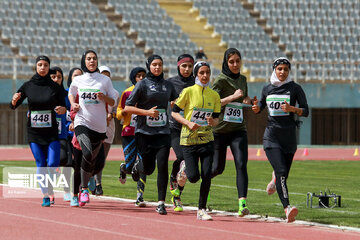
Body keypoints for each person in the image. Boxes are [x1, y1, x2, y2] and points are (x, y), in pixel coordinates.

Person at [252, 57, 309, 223]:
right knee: (282, 172)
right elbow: (260, 106)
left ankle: (274, 179)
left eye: (285, 69)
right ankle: (287, 208)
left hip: (289, 137)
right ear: (274, 70)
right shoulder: (267, 88)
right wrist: (256, 108)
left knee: (283, 174)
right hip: (271, 136)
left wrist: (292, 109)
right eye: (279, 69)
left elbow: (305, 111)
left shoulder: (295, 88)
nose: (282, 72)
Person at [124, 55, 178, 215]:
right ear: (149, 66)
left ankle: (161, 203)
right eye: (154, 64)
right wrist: (147, 112)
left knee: (163, 166)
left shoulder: (168, 85)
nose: (157, 67)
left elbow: (176, 103)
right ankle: (137, 166)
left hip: (163, 132)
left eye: (160, 65)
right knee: (148, 169)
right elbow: (127, 108)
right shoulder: (142, 85)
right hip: (144, 133)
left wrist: (177, 106)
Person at [10, 56, 66, 207]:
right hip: (34, 132)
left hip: (51, 132)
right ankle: (46, 195)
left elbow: (63, 104)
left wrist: (63, 109)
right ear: (36, 67)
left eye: (45, 65)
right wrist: (14, 101)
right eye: (40, 65)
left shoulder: (54, 87)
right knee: (41, 163)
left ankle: (50, 185)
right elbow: (14, 104)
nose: (43, 67)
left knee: (53, 163)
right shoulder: (28, 85)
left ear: (49, 67)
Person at [68, 50, 119, 206]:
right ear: (84, 61)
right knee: (87, 152)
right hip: (82, 122)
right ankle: (83, 190)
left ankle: (83, 186)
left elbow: (113, 102)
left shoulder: (104, 81)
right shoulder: (79, 80)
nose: (92, 61)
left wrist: (104, 98)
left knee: (93, 161)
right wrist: (72, 103)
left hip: (100, 127)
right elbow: (71, 92)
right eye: (89, 59)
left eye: (94, 59)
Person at [171, 61, 221, 220]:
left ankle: (201, 209)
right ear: (196, 75)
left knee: (206, 175)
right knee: (193, 177)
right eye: (202, 73)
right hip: (189, 141)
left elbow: (216, 118)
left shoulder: (215, 95)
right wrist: (187, 122)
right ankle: (182, 173)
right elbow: (174, 113)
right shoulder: (187, 91)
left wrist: (214, 122)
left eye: (207, 72)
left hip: (207, 140)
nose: (205, 76)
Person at [211, 48, 255, 217]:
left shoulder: (243, 79)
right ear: (226, 62)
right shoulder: (221, 80)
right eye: (232, 62)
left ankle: (242, 203)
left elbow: (244, 101)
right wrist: (231, 97)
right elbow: (212, 103)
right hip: (220, 131)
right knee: (217, 168)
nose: (235, 65)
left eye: (238, 61)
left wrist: (248, 101)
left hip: (238, 130)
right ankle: (203, 183)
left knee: (241, 165)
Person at [166, 54, 195, 212]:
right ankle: (173, 180)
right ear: (178, 66)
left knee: (189, 165)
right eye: (184, 66)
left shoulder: (196, 83)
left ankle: (177, 196)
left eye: (190, 66)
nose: (187, 69)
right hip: (175, 128)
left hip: (191, 129)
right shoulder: (170, 82)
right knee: (181, 157)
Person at [116, 66, 148, 207]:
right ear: (133, 78)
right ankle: (124, 168)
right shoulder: (127, 92)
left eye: (143, 75)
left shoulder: (149, 92)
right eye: (138, 76)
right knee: (130, 168)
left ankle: (140, 197)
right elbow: (119, 109)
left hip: (145, 132)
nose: (141, 78)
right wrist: (121, 113)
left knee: (143, 165)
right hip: (129, 132)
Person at [89, 65, 118, 196]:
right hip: (95, 127)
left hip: (109, 128)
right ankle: (96, 183)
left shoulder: (115, 93)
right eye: (102, 74)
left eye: (108, 75)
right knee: (92, 156)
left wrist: (111, 115)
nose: (105, 77)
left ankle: (96, 182)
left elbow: (118, 110)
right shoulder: (93, 92)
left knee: (102, 158)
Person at [48, 66, 73, 204]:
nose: (56, 79)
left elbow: (73, 111)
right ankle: (50, 191)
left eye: (59, 77)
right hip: (46, 135)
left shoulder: (65, 95)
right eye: (53, 77)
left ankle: (66, 190)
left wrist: (73, 119)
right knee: (51, 163)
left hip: (62, 133)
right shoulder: (43, 93)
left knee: (65, 160)